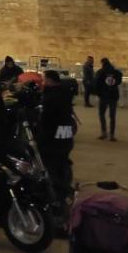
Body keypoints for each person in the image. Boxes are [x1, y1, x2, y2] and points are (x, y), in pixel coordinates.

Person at [36, 69, 76, 203]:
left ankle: (58, 195)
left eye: (43, 79)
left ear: (49, 80)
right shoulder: (65, 93)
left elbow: (47, 120)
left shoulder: (51, 97)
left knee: (51, 164)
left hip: (53, 136)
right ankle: (65, 188)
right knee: (63, 160)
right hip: (66, 132)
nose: (42, 81)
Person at [94, 57, 123, 141]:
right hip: (113, 96)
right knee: (112, 116)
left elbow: (97, 84)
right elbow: (119, 80)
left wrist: (98, 93)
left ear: (102, 63)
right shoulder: (116, 72)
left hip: (104, 96)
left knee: (102, 114)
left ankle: (103, 132)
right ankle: (112, 135)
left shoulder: (100, 72)